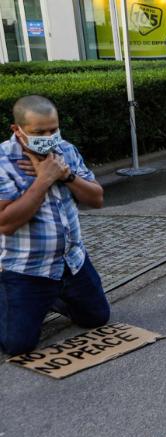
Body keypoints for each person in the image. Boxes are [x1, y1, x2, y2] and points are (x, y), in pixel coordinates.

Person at [0, 95, 109, 356]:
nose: (49, 137)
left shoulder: (66, 150)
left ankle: (54, 299)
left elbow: (97, 199)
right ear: (17, 130)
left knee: (97, 318)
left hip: (72, 261)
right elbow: (6, 223)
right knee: (18, 345)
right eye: (40, 132)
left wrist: (66, 175)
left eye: (53, 129)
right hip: (25, 268)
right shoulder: (2, 162)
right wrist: (44, 180)